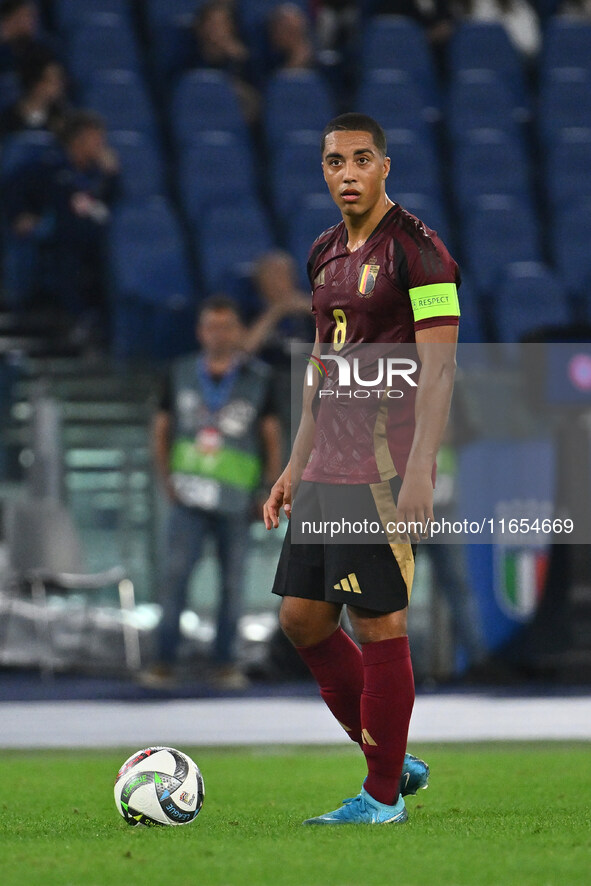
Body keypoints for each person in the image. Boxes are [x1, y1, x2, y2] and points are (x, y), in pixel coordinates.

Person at [263, 113, 460, 824]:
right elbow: (321, 366)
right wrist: (292, 462)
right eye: (333, 161)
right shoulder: (322, 251)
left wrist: (417, 473)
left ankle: (381, 798)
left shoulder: (420, 252)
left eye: (360, 160)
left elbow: (438, 375)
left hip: (380, 467)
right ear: (322, 169)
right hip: (323, 466)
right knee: (302, 623)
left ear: (384, 166)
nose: (345, 173)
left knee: (379, 626)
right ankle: (391, 757)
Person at [149, 296, 282, 689]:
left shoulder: (258, 378)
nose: (219, 334)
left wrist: (268, 489)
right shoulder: (179, 373)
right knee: (174, 578)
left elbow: (271, 438)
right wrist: (165, 479)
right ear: (200, 331)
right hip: (188, 495)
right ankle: (163, 662)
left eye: (226, 327)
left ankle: (225, 664)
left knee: (233, 583)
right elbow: (161, 428)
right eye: (211, 326)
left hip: (236, 501)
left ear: (238, 331)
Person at [4, 109, 119, 341]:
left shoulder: (98, 172)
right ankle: (73, 320)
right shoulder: (49, 165)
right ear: (78, 140)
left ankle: (99, 327)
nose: (101, 145)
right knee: (69, 260)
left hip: (95, 239)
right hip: (61, 239)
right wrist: (21, 215)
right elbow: (11, 188)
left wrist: (111, 176)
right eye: (96, 139)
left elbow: (110, 203)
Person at [0, 50, 67, 139]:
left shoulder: (62, 118)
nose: (59, 85)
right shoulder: (7, 119)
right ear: (37, 84)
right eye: (53, 81)